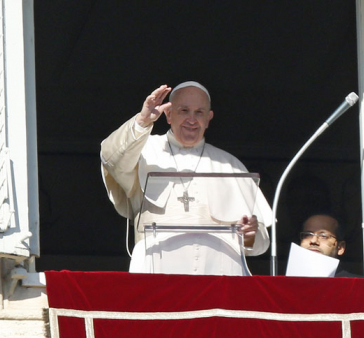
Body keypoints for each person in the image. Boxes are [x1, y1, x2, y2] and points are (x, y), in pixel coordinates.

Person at [100, 81, 272, 276]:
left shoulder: (229, 164)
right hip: (158, 268)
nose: (192, 119)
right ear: (169, 114)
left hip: (219, 272)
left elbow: (260, 243)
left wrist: (249, 235)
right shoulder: (143, 151)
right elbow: (111, 158)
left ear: (209, 118)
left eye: (199, 112)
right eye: (184, 110)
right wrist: (142, 121)